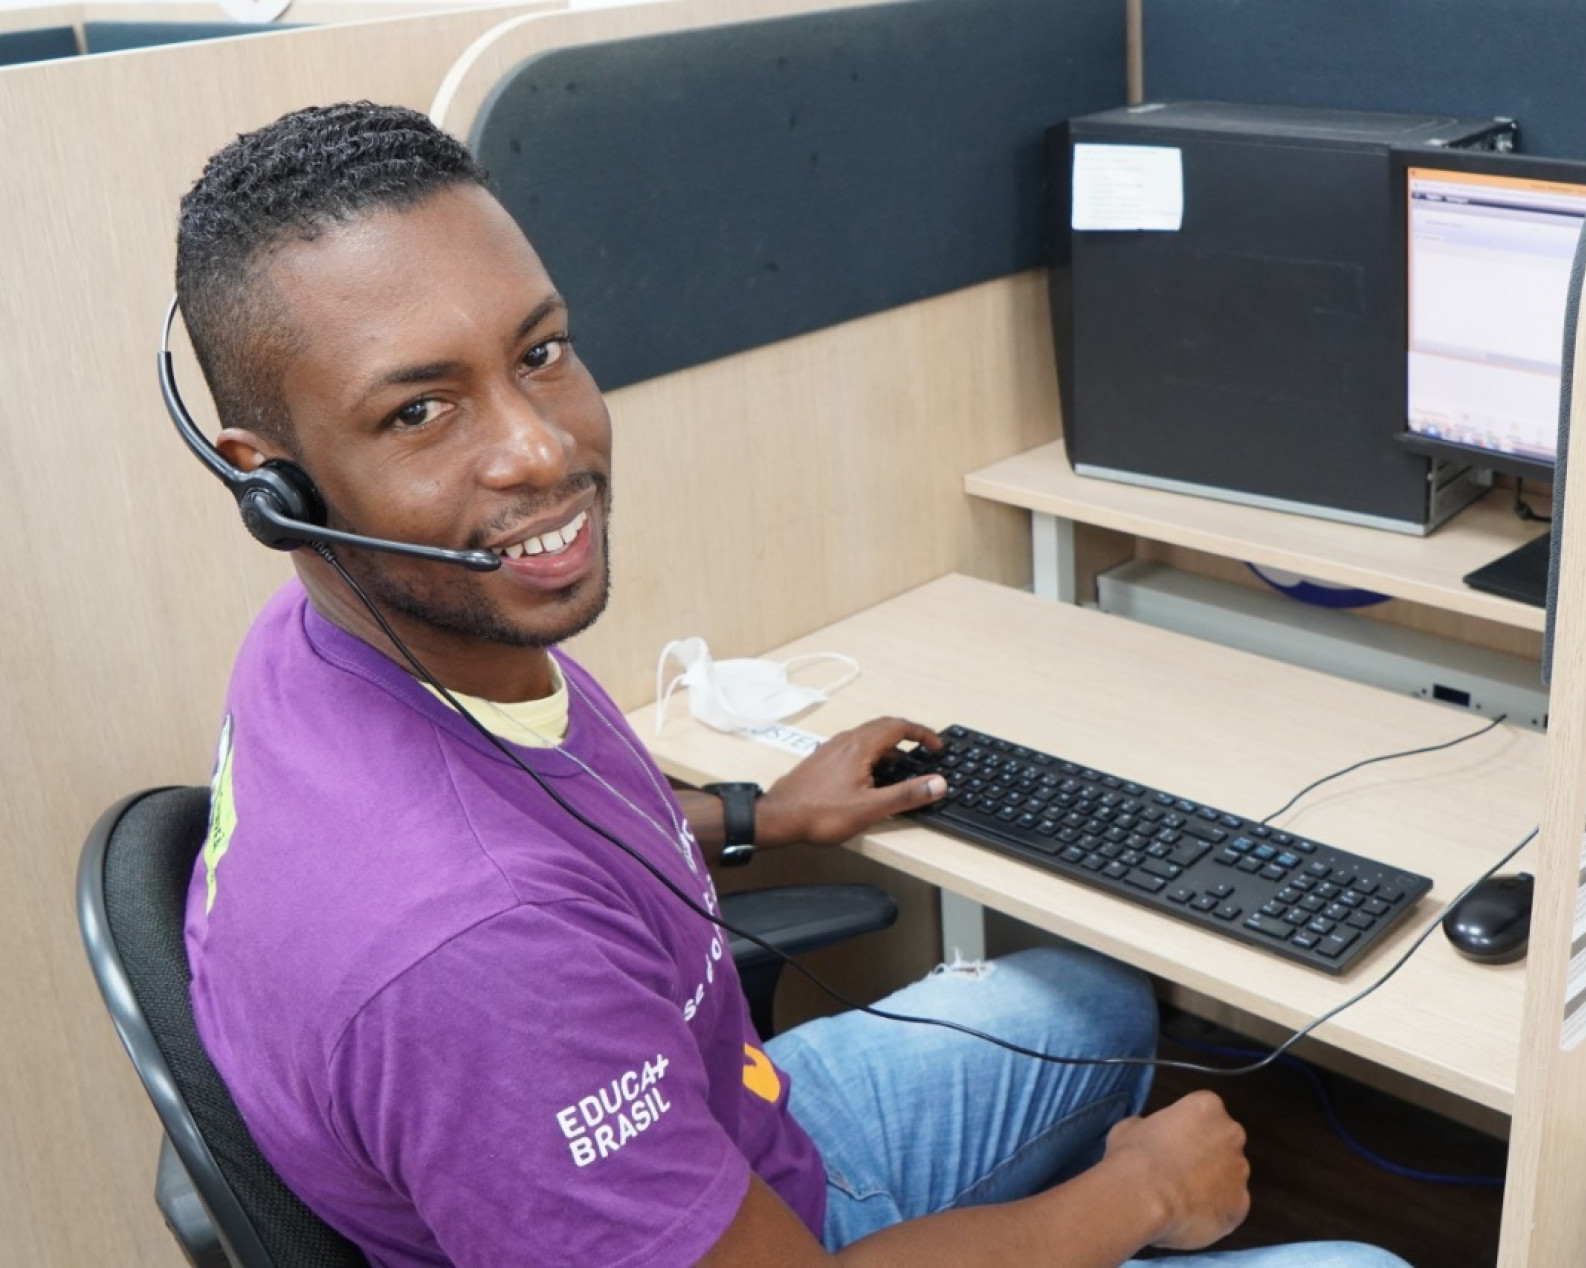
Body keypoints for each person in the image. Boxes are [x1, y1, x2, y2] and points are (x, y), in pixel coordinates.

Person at [176, 101, 1411, 1268]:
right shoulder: (475, 955)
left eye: (539, 351)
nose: (540, 448)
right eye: (421, 411)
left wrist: (770, 814)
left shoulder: (336, 647)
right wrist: (1141, 1194)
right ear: (271, 481)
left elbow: (546, 837)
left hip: (729, 1133)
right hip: (727, 1216)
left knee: (1088, 1001)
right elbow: (503, 935)